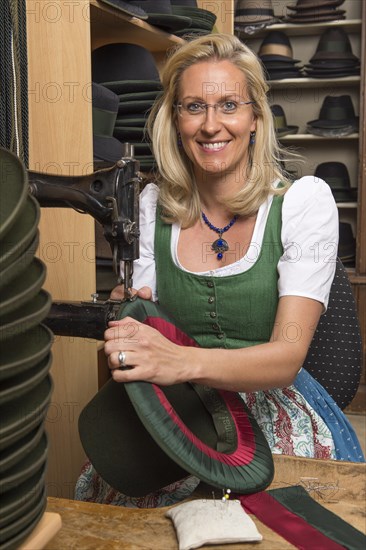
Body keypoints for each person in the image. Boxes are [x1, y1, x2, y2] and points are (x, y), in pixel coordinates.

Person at [75, 33, 364, 507]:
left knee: (282, 524)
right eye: (193, 107)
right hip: (181, 405)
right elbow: (138, 342)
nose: (211, 126)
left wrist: (180, 361)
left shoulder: (303, 204)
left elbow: (286, 358)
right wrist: (131, 322)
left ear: (255, 118)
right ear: (175, 119)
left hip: (270, 410)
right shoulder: (151, 208)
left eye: (229, 105)